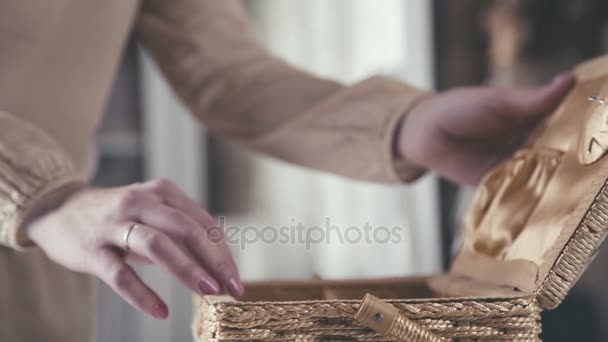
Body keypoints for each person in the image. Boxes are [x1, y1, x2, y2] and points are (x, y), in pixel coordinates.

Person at [0, 1, 574, 341]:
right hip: (52, 225)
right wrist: (42, 196)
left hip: (40, 297)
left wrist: (404, 123)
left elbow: (226, 72)